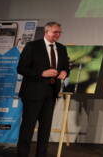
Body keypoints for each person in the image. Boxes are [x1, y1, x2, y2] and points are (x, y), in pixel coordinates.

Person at [17, 22, 69, 157]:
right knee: (27, 128)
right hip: (33, 93)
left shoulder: (62, 48)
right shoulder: (33, 46)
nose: (58, 35)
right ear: (46, 32)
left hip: (51, 93)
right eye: (55, 32)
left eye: (59, 32)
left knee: (45, 129)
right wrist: (42, 73)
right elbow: (22, 68)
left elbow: (66, 67)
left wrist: (65, 72)